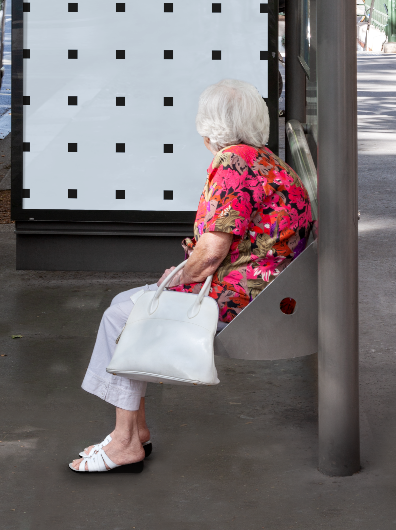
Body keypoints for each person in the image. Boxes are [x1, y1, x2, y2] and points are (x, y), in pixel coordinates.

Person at [70, 78, 313, 474]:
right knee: (123, 307)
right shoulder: (266, 160)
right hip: (270, 291)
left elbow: (212, 252)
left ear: (208, 127)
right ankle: (134, 432)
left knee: (121, 316)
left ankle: (126, 442)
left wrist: (181, 275)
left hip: (244, 301)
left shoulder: (234, 164)